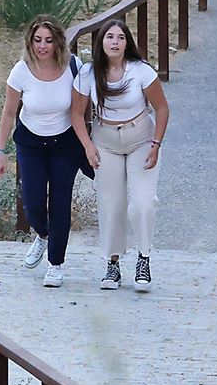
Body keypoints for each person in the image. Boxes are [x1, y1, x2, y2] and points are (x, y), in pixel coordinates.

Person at [72, 16, 169, 291]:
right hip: (105, 141)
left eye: (121, 37)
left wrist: (156, 144)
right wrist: (88, 146)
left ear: (127, 44)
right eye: (110, 37)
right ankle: (112, 264)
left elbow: (162, 108)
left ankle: (144, 257)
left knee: (143, 202)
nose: (115, 42)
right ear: (101, 42)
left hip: (140, 139)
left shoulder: (140, 71)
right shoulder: (89, 74)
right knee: (111, 204)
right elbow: (76, 114)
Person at [0, 16, 88, 287]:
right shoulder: (21, 71)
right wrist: (1, 151)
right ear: (30, 42)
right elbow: (9, 112)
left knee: (60, 202)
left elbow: (85, 105)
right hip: (31, 144)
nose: (43, 46)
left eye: (48, 40)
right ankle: (43, 234)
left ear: (58, 41)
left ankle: (56, 264)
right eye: (37, 40)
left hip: (65, 145)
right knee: (32, 202)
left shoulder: (73, 67)